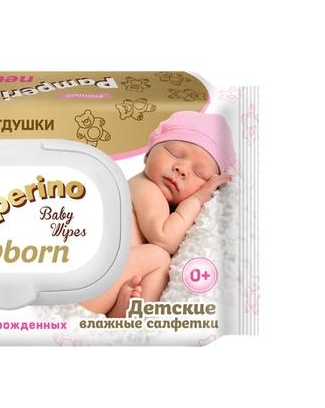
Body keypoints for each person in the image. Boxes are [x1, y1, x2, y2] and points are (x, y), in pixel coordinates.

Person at [82, 110, 236, 317]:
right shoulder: (145, 188)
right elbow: (165, 238)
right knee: (159, 257)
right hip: (87, 284)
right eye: (174, 153)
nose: (182, 168)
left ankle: (120, 311)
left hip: (96, 284)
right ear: (148, 153)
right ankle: (133, 322)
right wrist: (197, 199)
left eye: (199, 173)